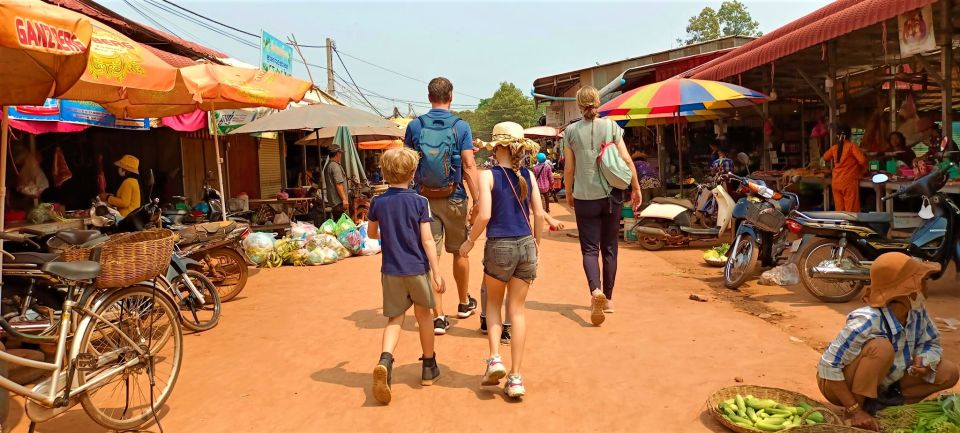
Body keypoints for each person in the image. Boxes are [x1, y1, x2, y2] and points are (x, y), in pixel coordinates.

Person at [817, 252, 959, 431]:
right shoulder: (867, 320)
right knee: (881, 349)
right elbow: (828, 366)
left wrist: (925, 359)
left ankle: (886, 407)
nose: (925, 286)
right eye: (922, 281)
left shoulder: (917, 312)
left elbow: (931, 343)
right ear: (906, 292)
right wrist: (854, 409)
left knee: (949, 372)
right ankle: (856, 413)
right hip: (840, 386)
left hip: (886, 382)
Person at [459, 121, 545, 399]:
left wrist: (469, 242)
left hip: (499, 245)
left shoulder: (488, 175)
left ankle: (495, 358)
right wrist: (537, 246)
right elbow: (540, 216)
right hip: (526, 245)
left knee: (494, 304)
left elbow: (484, 215)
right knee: (517, 311)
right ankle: (516, 378)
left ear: (495, 146)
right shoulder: (529, 176)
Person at [367, 147, 445, 405]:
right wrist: (436, 272)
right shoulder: (420, 202)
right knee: (424, 317)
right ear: (413, 173)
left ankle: (385, 360)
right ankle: (428, 367)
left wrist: (389, 234)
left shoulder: (378, 202)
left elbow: (370, 234)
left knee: (394, 319)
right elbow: (427, 240)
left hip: (391, 270)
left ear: (385, 173)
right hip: (417, 269)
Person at [405, 77, 480, 335]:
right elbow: (469, 165)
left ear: (428, 97)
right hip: (456, 197)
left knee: (431, 257)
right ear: (451, 96)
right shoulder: (461, 127)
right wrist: (478, 199)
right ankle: (462, 303)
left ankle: (438, 317)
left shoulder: (414, 126)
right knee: (460, 252)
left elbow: (406, 165)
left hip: (423, 201)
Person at [563, 86, 642, 326]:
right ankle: (607, 299)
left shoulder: (570, 131)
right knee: (610, 248)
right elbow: (627, 159)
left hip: (585, 197)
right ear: (598, 103)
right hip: (612, 196)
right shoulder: (611, 127)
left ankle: (595, 290)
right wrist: (636, 187)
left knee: (589, 250)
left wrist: (568, 193)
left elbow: (569, 169)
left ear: (578, 105)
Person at [822, 125, 867, 212]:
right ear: (850, 135)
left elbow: (825, 157)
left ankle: (841, 225)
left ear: (837, 136)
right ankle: (850, 225)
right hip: (849, 182)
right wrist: (863, 171)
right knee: (851, 211)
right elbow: (862, 160)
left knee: (839, 210)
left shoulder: (834, 148)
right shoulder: (852, 146)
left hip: (836, 182)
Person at [323, 145, 349, 219]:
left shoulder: (328, 166)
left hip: (334, 202)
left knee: (338, 224)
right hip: (339, 202)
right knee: (343, 226)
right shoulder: (335, 166)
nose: (341, 155)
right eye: (340, 153)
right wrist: (344, 199)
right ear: (337, 154)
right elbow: (339, 184)